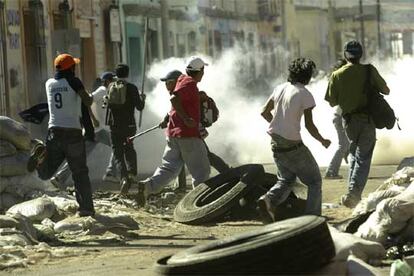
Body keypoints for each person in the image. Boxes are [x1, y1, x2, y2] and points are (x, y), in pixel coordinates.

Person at [258, 58, 331, 221]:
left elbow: (264, 112)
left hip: (275, 143)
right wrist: (322, 140)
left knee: (286, 179)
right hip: (293, 145)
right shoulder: (304, 94)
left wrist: (278, 125)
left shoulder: (280, 88)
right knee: (314, 181)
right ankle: (312, 217)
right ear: (307, 76)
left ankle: (268, 199)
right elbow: (309, 125)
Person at [27, 53, 95, 217]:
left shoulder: (49, 83)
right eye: (74, 66)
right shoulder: (75, 82)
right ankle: (85, 209)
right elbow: (87, 103)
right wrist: (90, 130)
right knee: (79, 172)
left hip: (54, 132)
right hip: (72, 133)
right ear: (71, 68)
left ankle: (40, 156)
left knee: (46, 173)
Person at [136, 57, 211, 205]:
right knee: (201, 171)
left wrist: (167, 119)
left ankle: (148, 186)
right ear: (199, 71)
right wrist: (186, 119)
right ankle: (200, 203)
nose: (203, 74)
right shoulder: (189, 82)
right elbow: (174, 99)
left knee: (169, 168)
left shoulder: (183, 82)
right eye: (203, 71)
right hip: (188, 135)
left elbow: (175, 105)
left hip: (173, 135)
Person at [325, 40, 390, 208]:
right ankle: (353, 195)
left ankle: (351, 191)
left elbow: (331, 101)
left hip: (348, 122)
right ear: (361, 55)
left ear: (346, 55)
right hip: (367, 120)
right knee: (363, 157)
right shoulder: (369, 70)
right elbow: (386, 90)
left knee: (354, 153)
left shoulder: (337, 75)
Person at [50, 72, 118, 188]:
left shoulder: (108, 91)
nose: (115, 83)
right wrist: (93, 119)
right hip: (99, 130)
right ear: (107, 81)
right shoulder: (102, 90)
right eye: (113, 81)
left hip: (96, 130)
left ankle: (59, 178)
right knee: (118, 146)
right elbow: (87, 102)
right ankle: (111, 173)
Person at [107, 64, 145, 195]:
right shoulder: (132, 88)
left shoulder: (110, 87)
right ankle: (132, 174)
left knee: (117, 154)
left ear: (115, 74)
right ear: (127, 74)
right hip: (129, 126)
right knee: (129, 148)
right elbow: (139, 107)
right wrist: (142, 99)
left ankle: (123, 178)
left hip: (114, 126)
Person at [325, 59, 350, 179]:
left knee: (348, 144)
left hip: (340, 116)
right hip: (340, 117)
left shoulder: (336, 80)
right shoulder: (341, 81)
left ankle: (351, 166)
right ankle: (331, 172)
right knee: (343, 145)